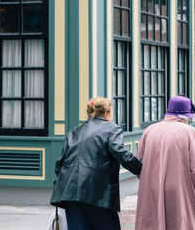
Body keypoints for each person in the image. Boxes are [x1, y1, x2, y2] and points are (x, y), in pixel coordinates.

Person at [50, 97, 142, 230]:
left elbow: (59, 165)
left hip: (69, 193)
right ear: (106, 113)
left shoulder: (74, 131)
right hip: (98, 193)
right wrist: (140, 168)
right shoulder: (111, 129)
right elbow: (120, 152)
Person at [135, 96, 195, 230]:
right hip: (179, 189)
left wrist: (148, 180)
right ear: (184, 117)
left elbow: (139, 162)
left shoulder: (149, 130)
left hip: (151, 188)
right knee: (179, 223)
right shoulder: (190, 132)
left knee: (152, 223)